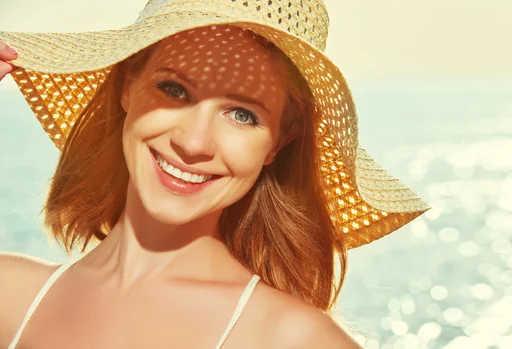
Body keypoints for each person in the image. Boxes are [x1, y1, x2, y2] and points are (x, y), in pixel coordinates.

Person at [0, 0, 429, 348]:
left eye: (242, 115)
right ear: (128, 85)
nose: (194, 142)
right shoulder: (12, 296)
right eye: (174, 89)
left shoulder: (290, 339)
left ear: (278, 141)